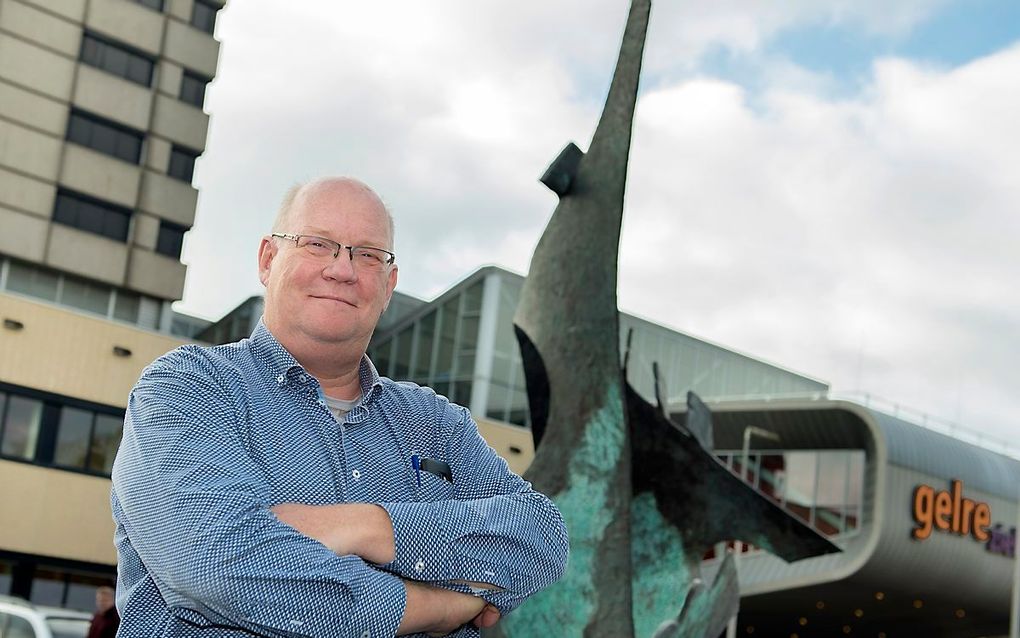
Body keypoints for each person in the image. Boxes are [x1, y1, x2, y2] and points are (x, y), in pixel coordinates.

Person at [110, 177, 568, 637]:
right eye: (317, 243)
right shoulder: (188, 389)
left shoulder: (433, 421)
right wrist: (440, 605)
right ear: (268, 260)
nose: (342, 270)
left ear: (388, 285)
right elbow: (218, 564)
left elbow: (544, 537)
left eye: (368, 254)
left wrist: (367, 527)